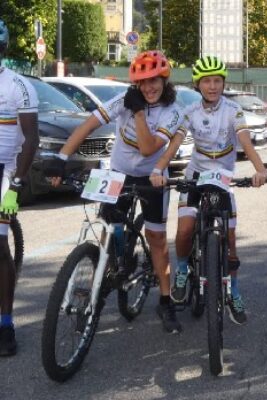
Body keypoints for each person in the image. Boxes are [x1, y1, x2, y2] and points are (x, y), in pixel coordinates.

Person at [46, 50, 186, 333]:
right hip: (118, 171)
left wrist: (137, 113)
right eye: (143, 82)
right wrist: (61, 158)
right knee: (108, 228)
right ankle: (109, 268)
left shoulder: (173, 112)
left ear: (164, 79)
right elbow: (89, 124)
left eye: (154, 81)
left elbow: (148, 148)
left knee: (156, 239)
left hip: (152, 177)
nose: (148, 87)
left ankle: (165, 299)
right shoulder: (125, 100)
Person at [150, 55, 267, 325]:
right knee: (184, 228)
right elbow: (174, 145)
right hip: (195, 176)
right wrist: (158, 169)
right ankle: (181, 268)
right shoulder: (190, 112)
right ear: (198, 85)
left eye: (217, 81)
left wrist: (260, 170)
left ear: (223, 83)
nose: (212, 86)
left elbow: (245, 142)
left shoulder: (233, 110)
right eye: (207, 82)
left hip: (223, 178)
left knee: (230, 236)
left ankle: (234, 292)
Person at [0, 19, 39, 356]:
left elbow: (31, 140)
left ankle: (6, 324)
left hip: (5, 169)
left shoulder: (17, 86)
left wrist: (15, 186)